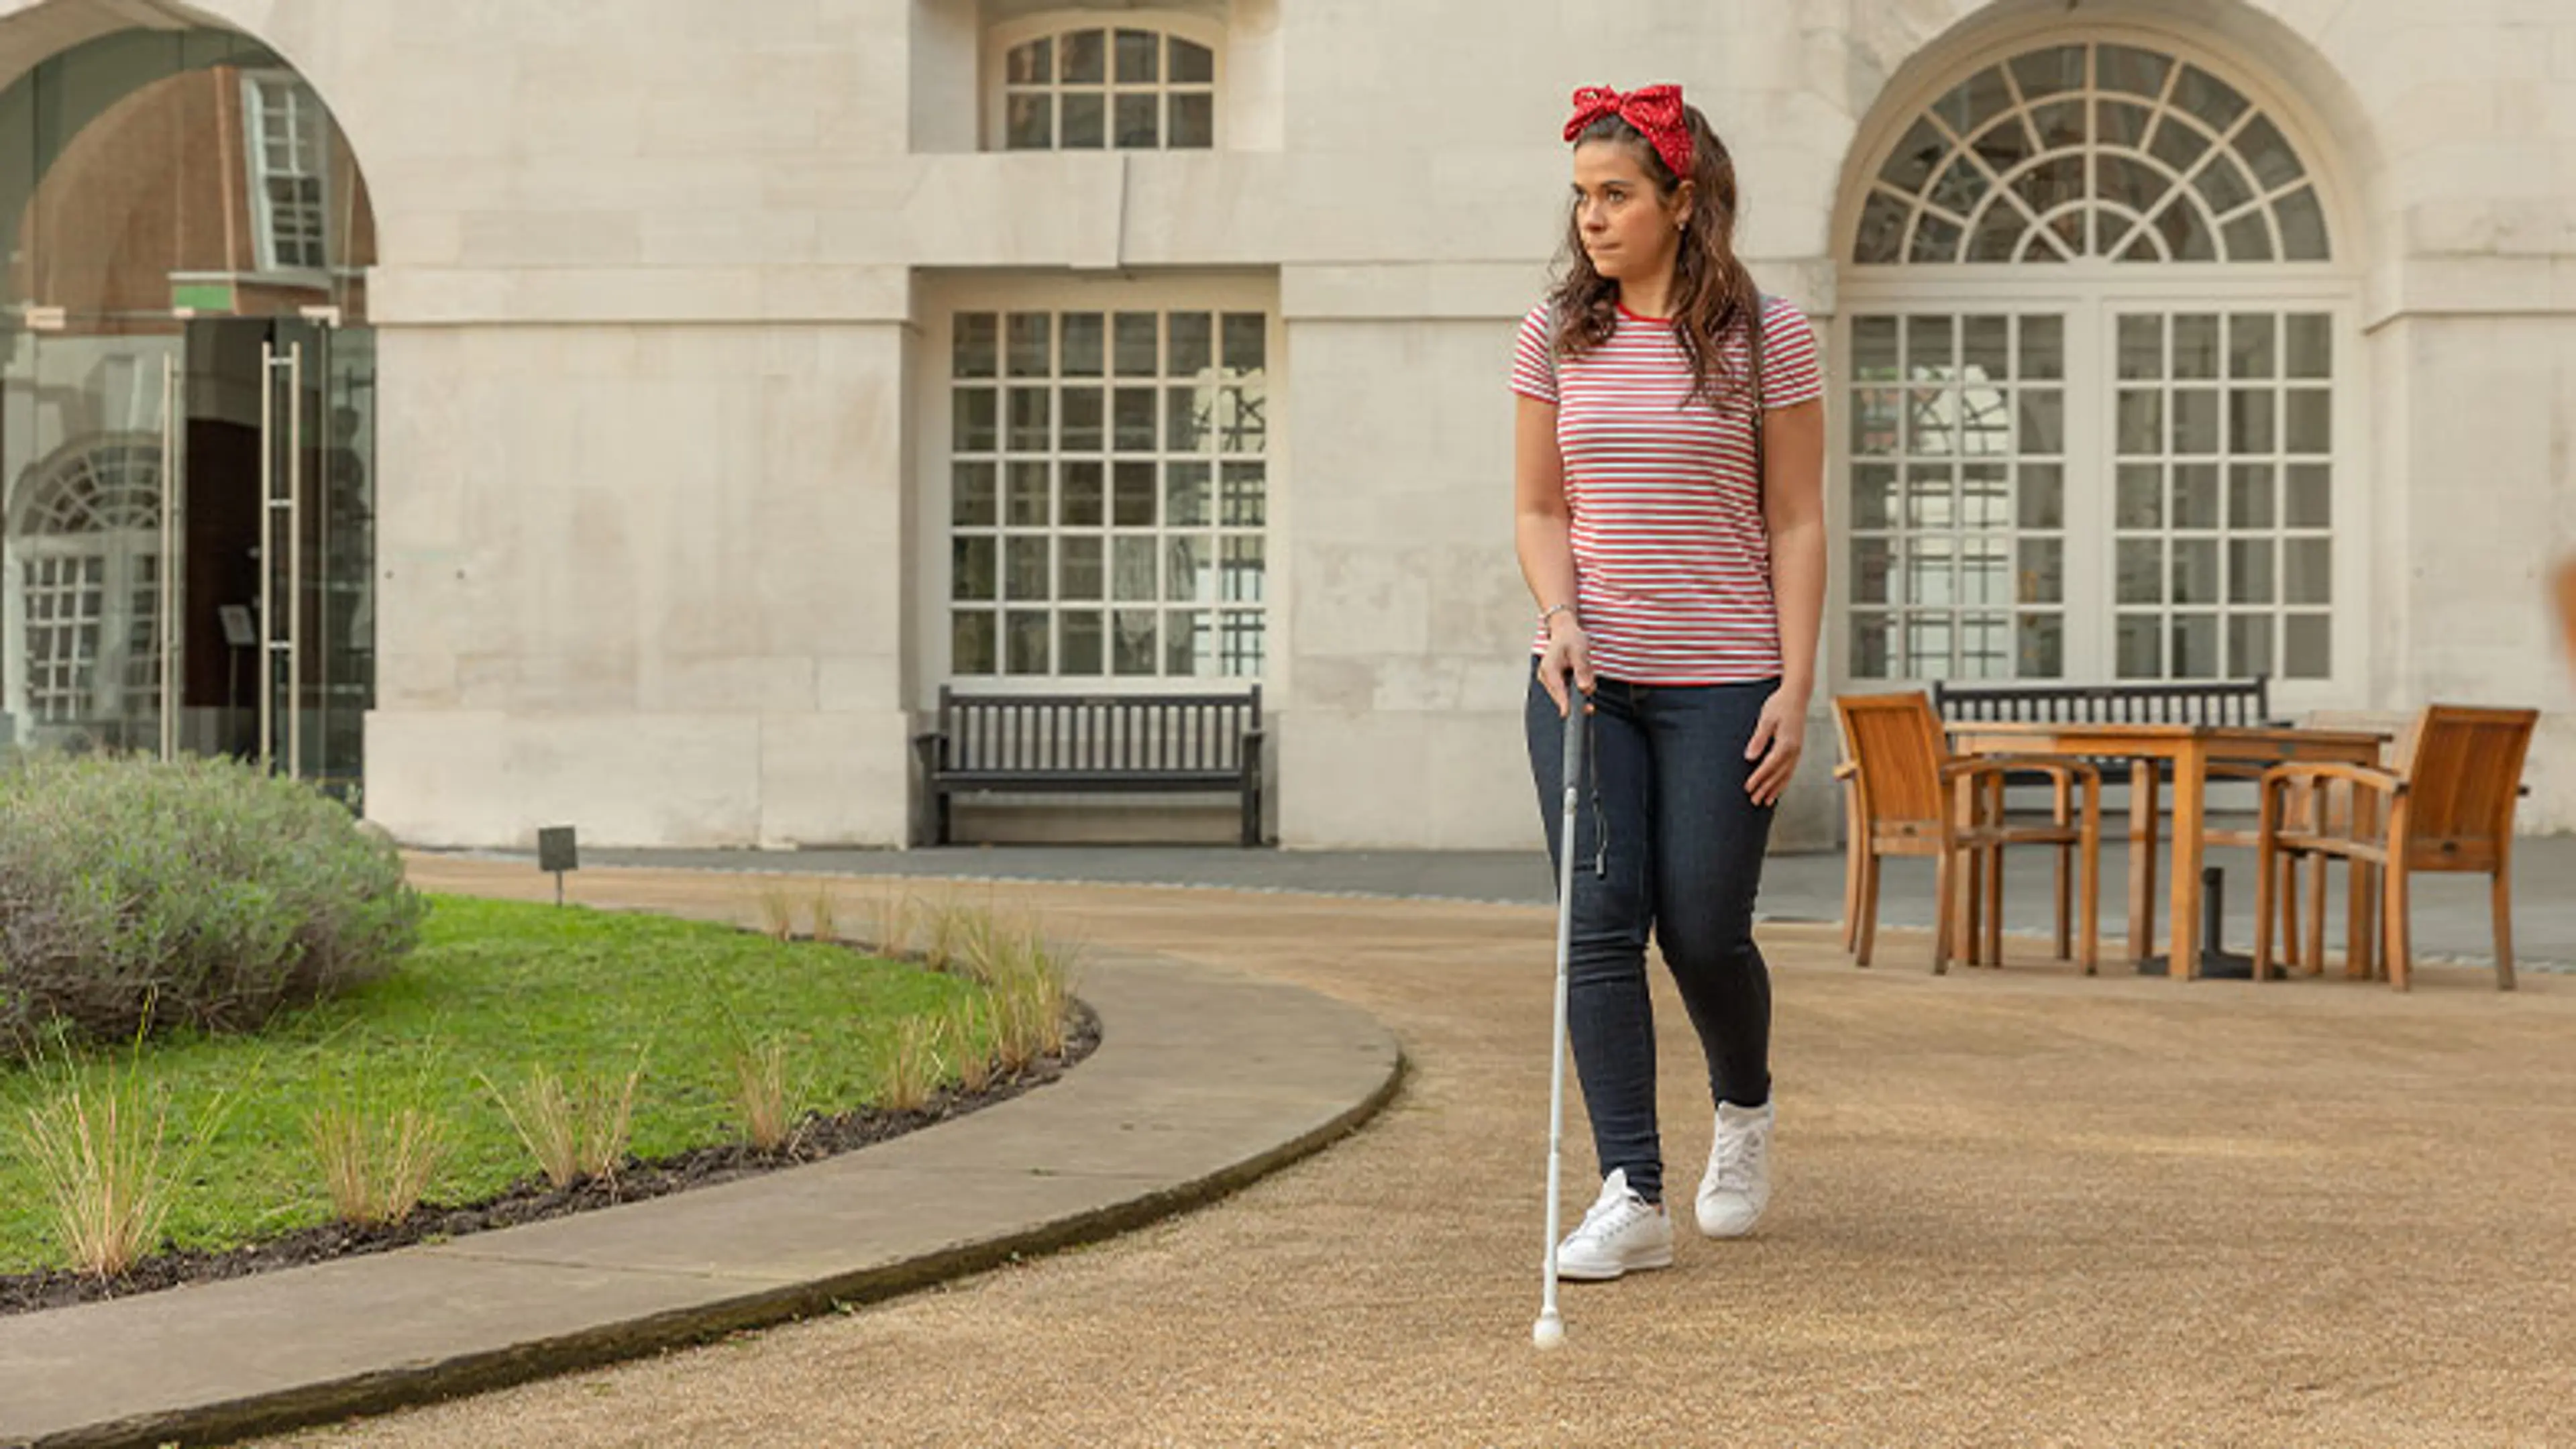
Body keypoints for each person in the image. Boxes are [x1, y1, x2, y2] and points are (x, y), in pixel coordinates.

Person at [1510, 84, 1826, 1280]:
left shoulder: (1769, 335)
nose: (1592, 218)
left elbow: (1797, 521)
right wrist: (1560, 616)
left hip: (1727, 676)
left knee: (1703, 930)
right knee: (1598, 926)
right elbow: (1542, 506)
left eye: (1617, 195)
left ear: (1682, 203)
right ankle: (1630, 1190)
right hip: (1588, 677)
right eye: (1583, 196)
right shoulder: (1555, 334)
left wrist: (1796, 687)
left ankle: (1742, 1110)